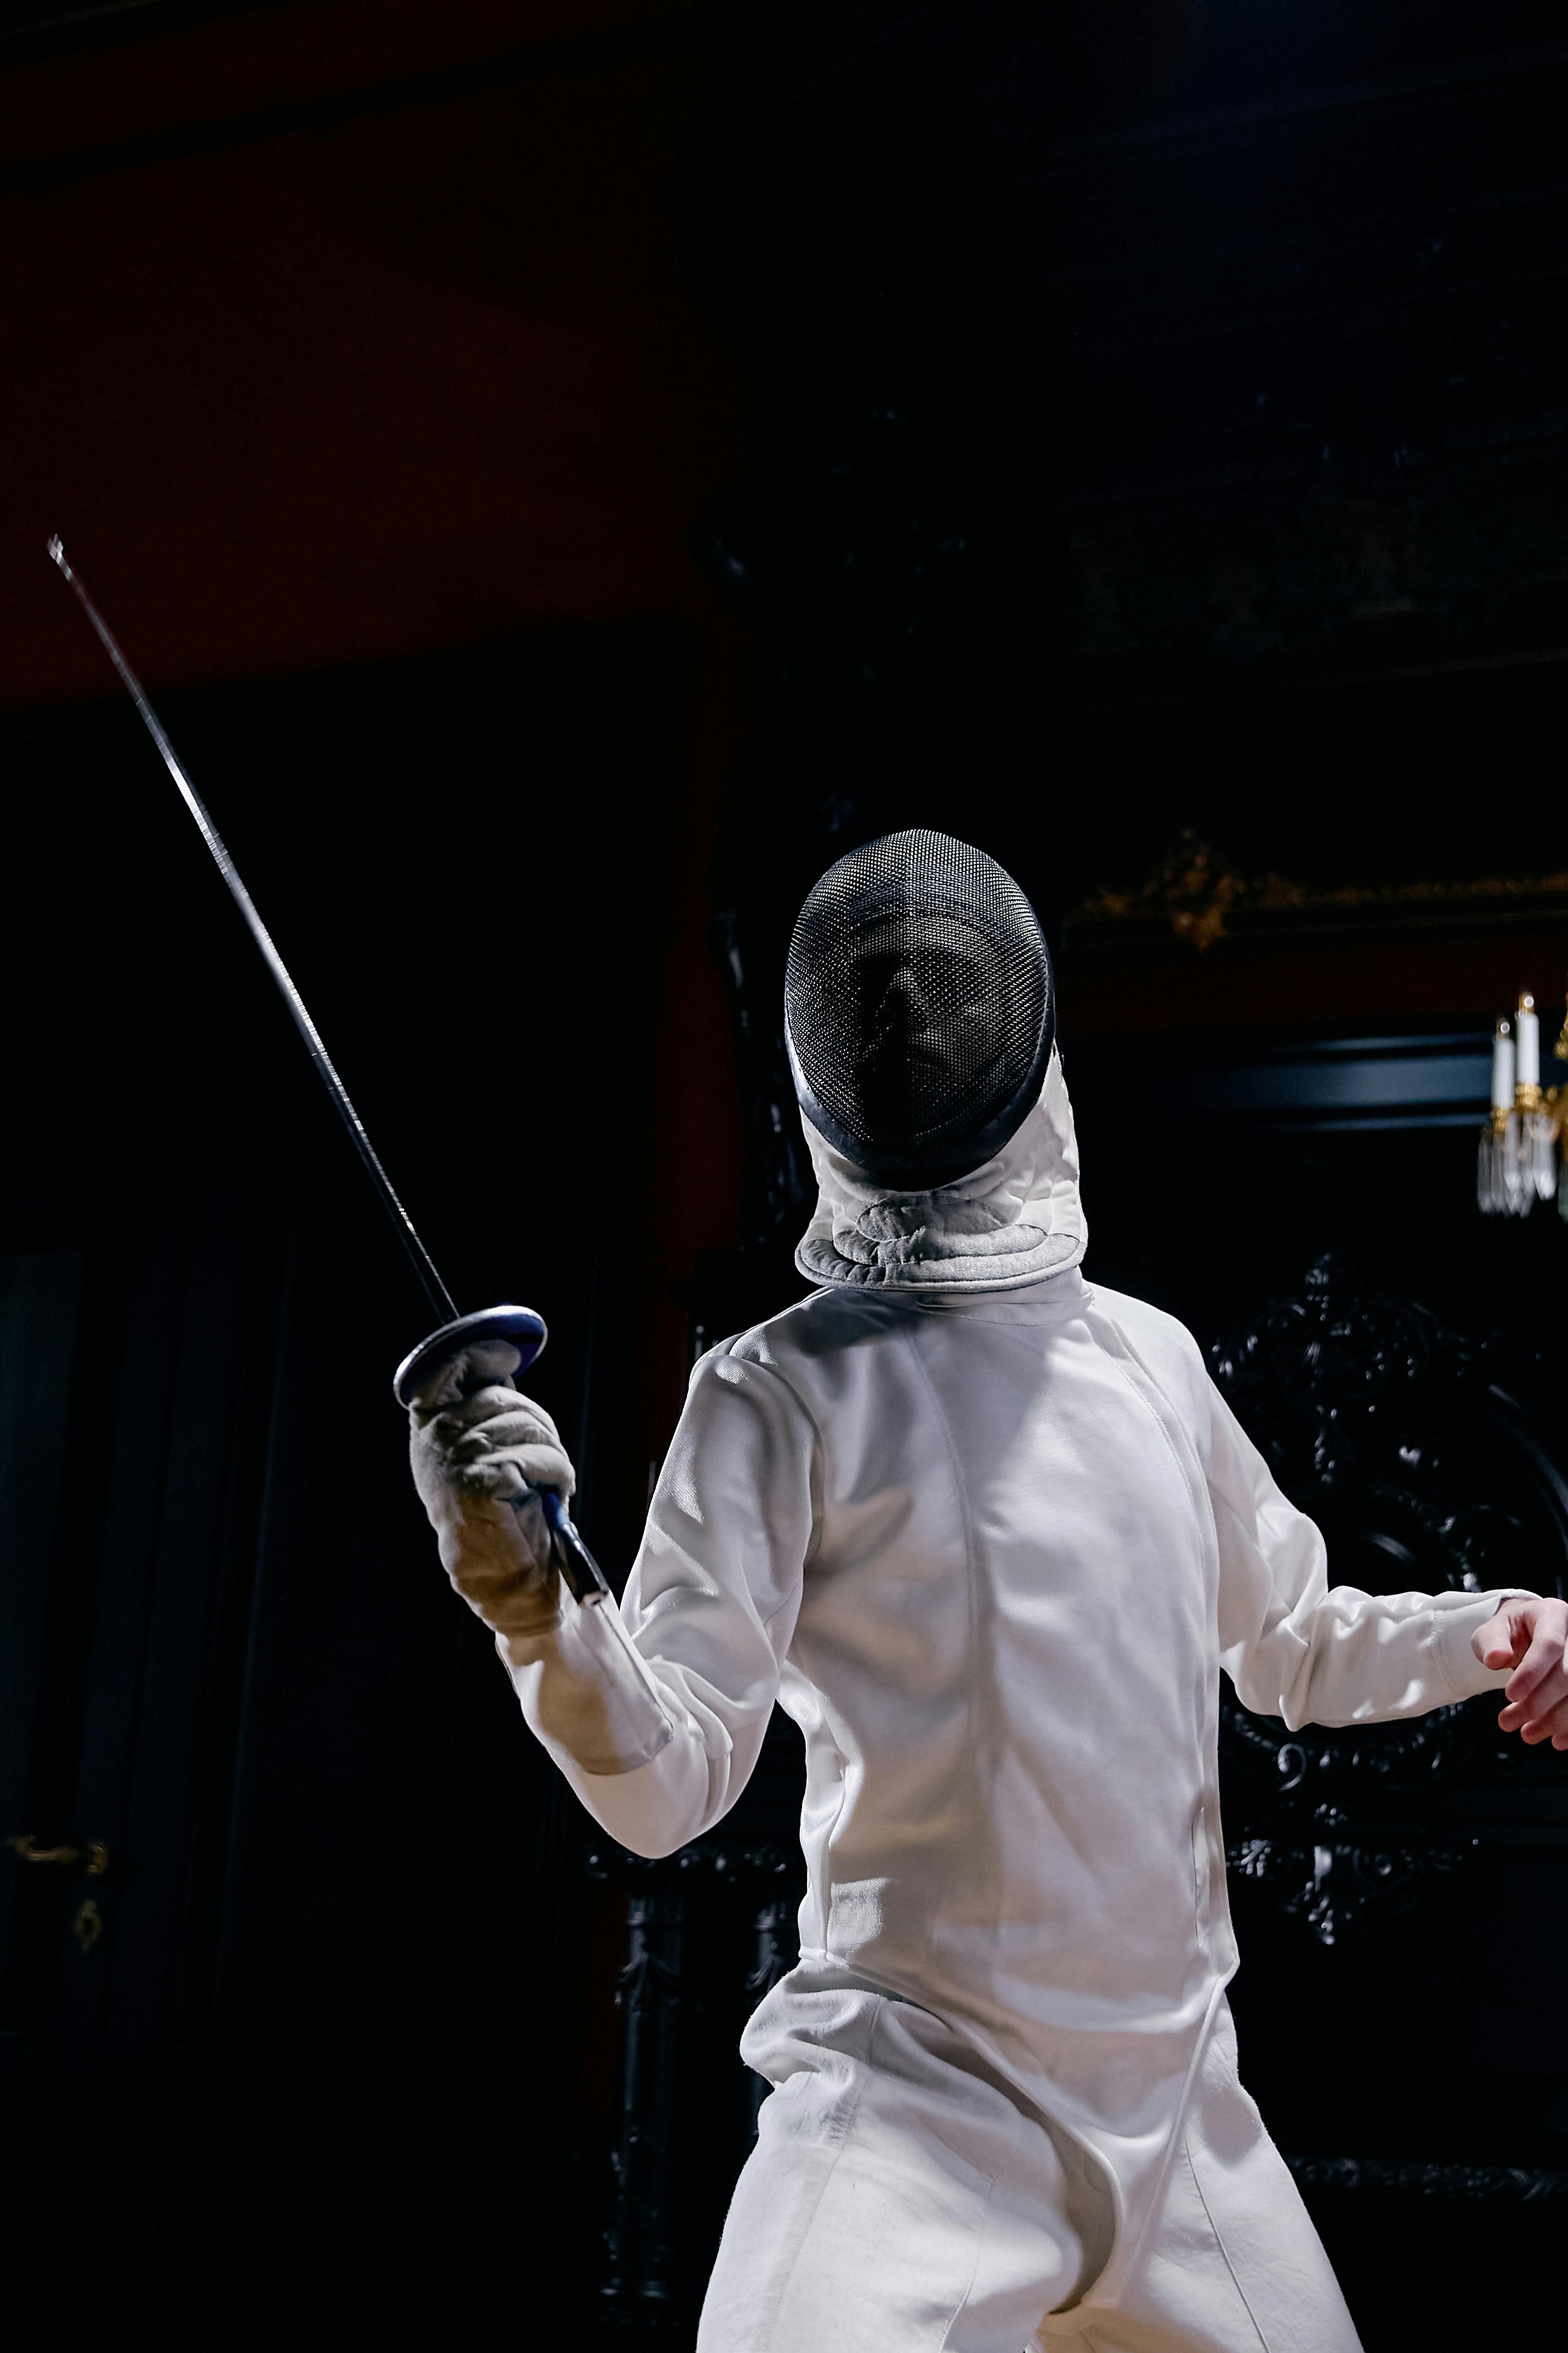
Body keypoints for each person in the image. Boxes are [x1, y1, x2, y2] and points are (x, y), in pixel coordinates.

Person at [407, 832, 1568, 2352]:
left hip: (1177, 2118)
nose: (915, 1022)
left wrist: (1490, 1628)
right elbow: (667, 1784)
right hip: (908, 2113)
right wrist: (533, 1599)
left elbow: (1288, 1638)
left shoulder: (1146, 1357)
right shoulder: (772, 1388)